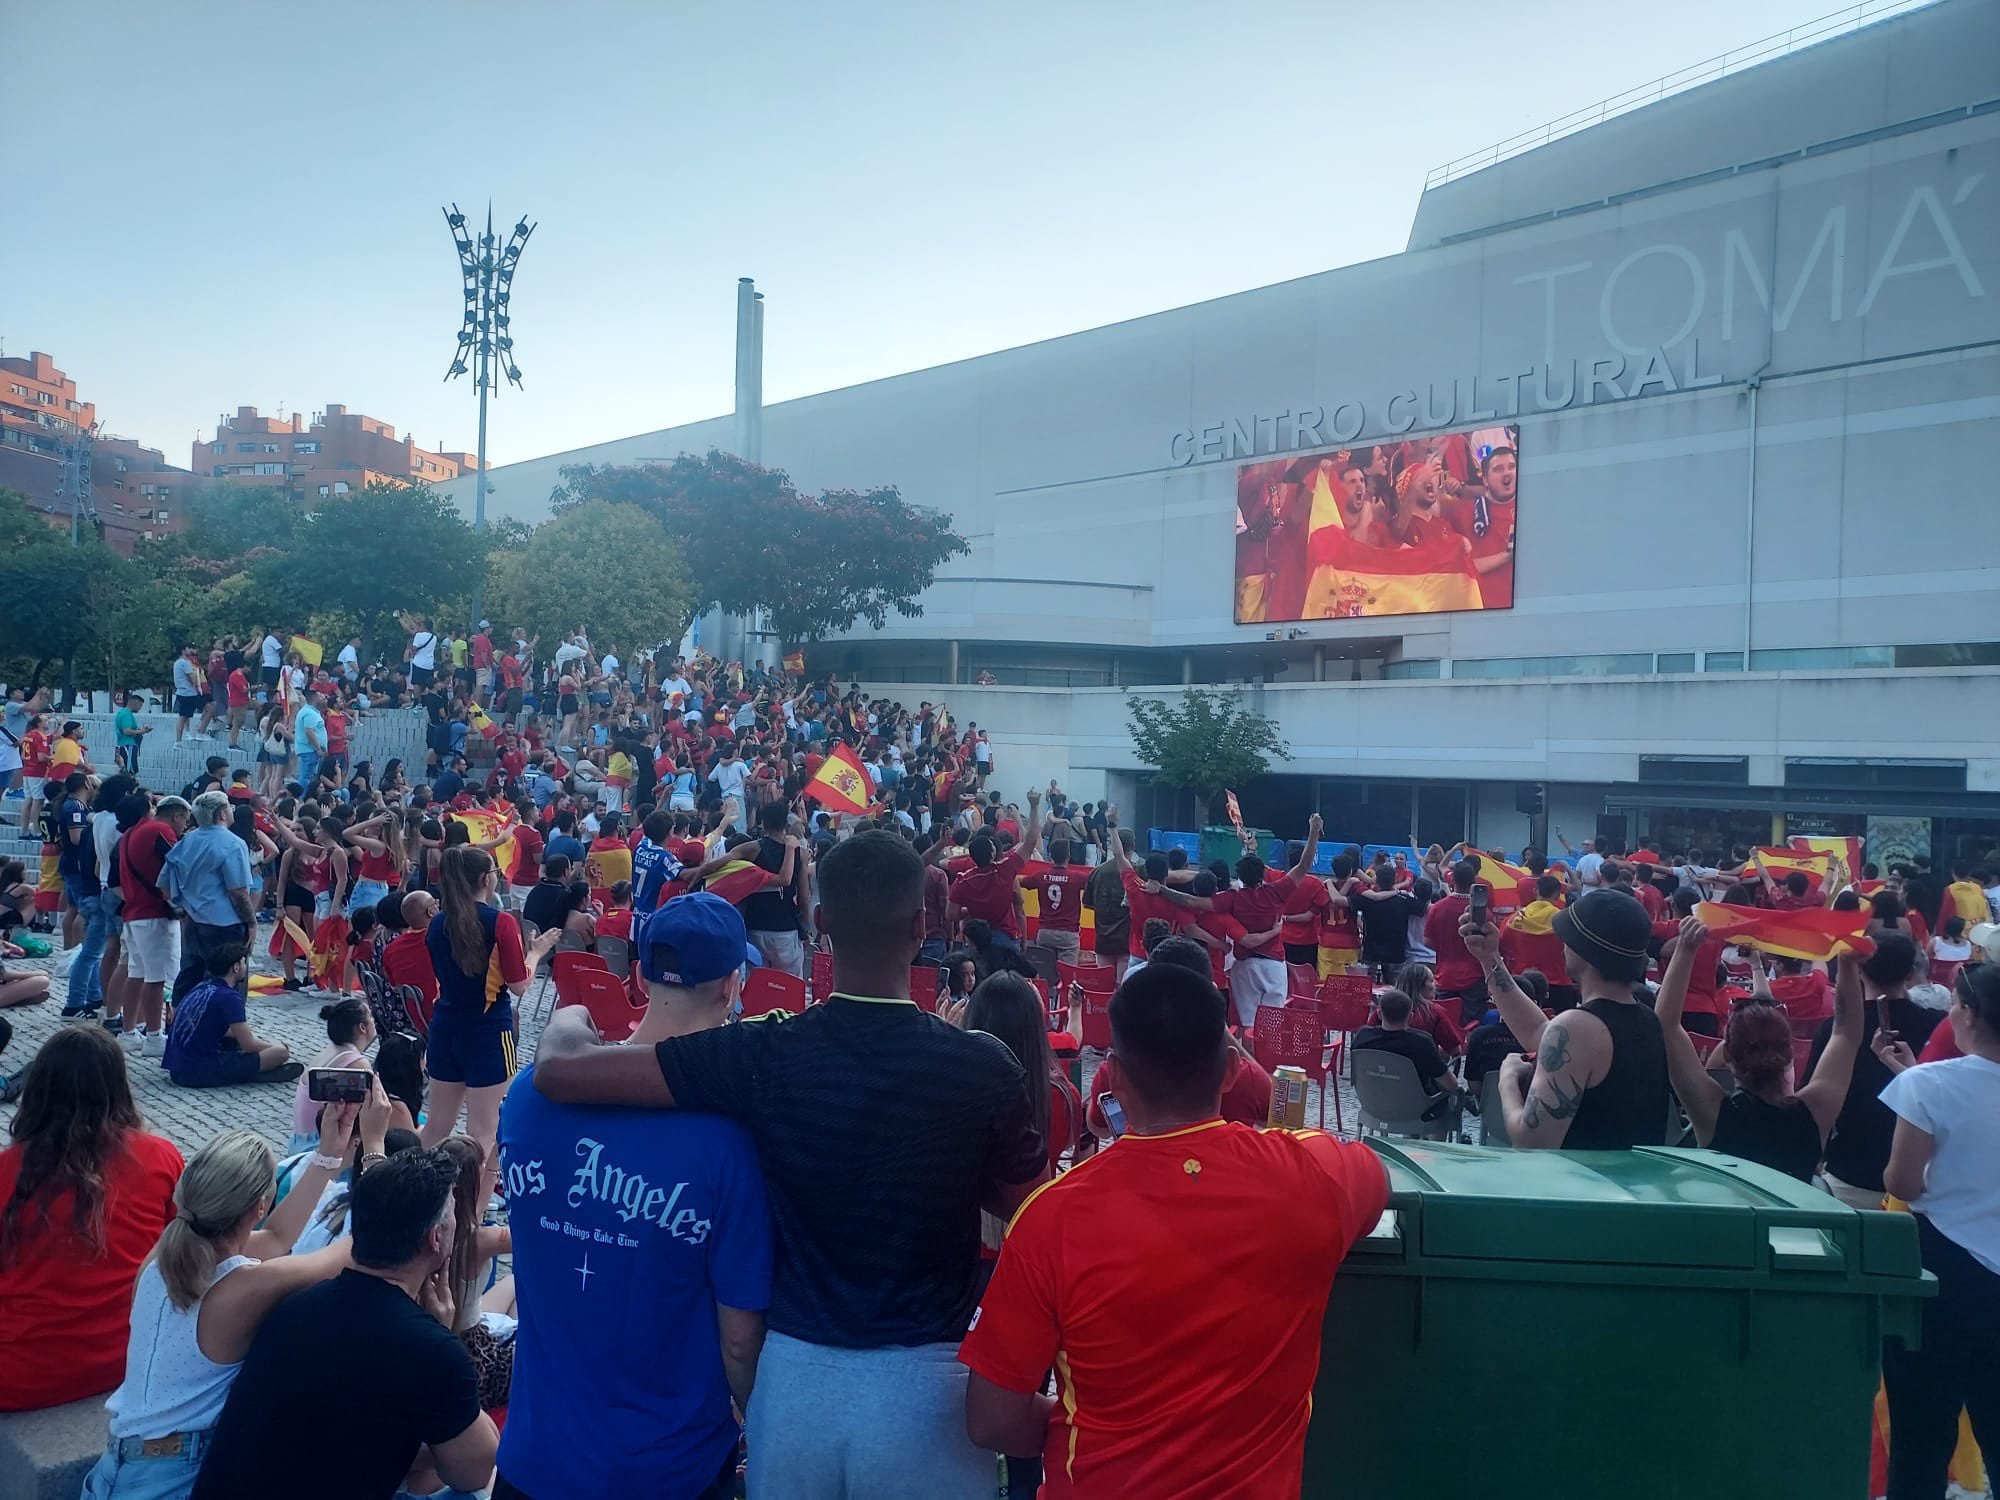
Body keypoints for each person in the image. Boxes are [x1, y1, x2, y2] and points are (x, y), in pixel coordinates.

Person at [532, 829, 1049, 1496]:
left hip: (794, 1385)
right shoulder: (979, 1067)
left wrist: (571, 1013)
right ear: (924, 925)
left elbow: (562, 1072)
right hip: (930, 1390)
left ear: (822, 922)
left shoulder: (764, 1053)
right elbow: (1040, 1220)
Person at [960, 961, 1388, 1496]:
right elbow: (1376, 1174)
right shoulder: (1315, 1175)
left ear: (1112, 1076)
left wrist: (1095, 1429)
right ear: (1231, 1069)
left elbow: (991, 1419)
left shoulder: (1051, 1217)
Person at [494, 893, 773, 1500]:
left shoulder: (529, 1098)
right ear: (731, 988)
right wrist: (762, 1426)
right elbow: (740, 1341)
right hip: (668, 1470)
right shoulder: (730, 1143)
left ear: (639, 975)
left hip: (534, 1458)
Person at [80, 1108, 375, 1500]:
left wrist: (326, 1158)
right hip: (173, 1479)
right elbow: (361, 1244)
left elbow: (277, 1235)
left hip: (118, 1468)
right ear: (258, 1206)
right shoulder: (241, 1288)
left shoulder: (162, 1256)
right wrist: (372, 1150)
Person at [190, 1147, 498, 1500]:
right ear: (437, 1237)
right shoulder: (432, 1350)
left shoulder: (294, 1308)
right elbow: (474, 1471)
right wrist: (441, 1337)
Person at [0, 1026, 185, 1411]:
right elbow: (176, 1253)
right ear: (119, 1087)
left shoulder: (7, 1171)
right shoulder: (160, 1158)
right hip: (122, 1358)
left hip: (16, 1375)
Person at [1873, 963, 2000, 1500]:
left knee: (1922, 1433)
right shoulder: (1922, 1081)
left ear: (1968, 1014)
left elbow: (1903, 1180)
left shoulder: (1928, 1084)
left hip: (1939, 1271)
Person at [1655, 916, 1863, 1181]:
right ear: (1790, 1055)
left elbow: (1666, 1026)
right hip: (1795, 1224)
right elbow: (1847, 1033)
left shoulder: (1711, 1113)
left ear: (1727, 1055)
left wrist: (1686, 948)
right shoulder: (1817, 1111)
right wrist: (1847, 964)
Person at [1462, 887, 1668, 1150]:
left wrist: (1507, 1080)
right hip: (1628, 1185)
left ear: (1584, 950)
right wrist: (1489, 957)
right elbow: (1538, 1031)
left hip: (1583, 1187)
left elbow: (1531, 1143)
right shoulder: (1648, 1020)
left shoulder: (1578, 1028)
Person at [421, 846, 561, 1155]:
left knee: (437, 1126)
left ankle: (420, 1192)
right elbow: (520, 985)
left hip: (445, 1027)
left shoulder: (437, 922)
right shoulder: (500, 922)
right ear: (486, 879)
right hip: (488, 1031)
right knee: (485, 1129)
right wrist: (535, 952)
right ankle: (473, 1200)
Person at [1803, 933, 1943, 1208]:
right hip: (1923, 1186)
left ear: (1860, 969)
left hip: (1847, 1180)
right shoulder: (1938, 1028)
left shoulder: (1833, 1032)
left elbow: (1812, 1106)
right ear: (1911, 973)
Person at [1148, 814, 1322, 1020]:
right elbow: (1304, 864)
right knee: (1271, 1024)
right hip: (1273, 965)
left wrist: (1161, 890)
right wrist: (1314, 831)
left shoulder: (1232, 898)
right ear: (1262, 874)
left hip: (1244, 965)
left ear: (1239, 875)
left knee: (1247, 1024)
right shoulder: (1278, 891)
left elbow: (1191, 901)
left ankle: (1245, 1053)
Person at [161, 791, 258, 1008]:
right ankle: (227, 1030)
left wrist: (184, 905)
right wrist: (251, 922)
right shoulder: (232, 843)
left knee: (189, 976)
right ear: (221, 814)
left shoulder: (187, 840)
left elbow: (164, 884)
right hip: (225, 923)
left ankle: (179, 1023)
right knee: (229, 980)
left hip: (194, 920)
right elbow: (238, 891)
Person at [164, 943, 299, 1089]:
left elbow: (221, 1030)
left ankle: (247, 1068)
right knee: (280, 1053)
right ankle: (251, 1071)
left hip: (177, 1070)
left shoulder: (201, 987)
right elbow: (250, 1045)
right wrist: (274, 1046)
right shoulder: (229, 997)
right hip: (197, 1073)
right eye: (243, 962)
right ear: (236, 967)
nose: (245, 967)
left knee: (235, 1039)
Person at [119, 793, 192, 1057]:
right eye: (185, 820)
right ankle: (153, 1035)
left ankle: (128, 1031)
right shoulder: (160, 830)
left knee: (137, 974)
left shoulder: (129, 834)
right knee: (156, 977)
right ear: (177, 816)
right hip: (153, 913)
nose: (185, 826)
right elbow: (179, 863)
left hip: (134, 911)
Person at [1353, 987, 1467, 1117]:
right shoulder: (1421, 1043)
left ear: (1379, 1014)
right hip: (1417, 1111)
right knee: (1443, 1103)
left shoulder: (1363, 1036)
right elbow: (1451, 1085)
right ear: (1410, 1017)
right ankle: (1434, 1137)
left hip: (1373, 1106)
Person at [291, 996, 376, 1154]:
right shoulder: (356, 1063)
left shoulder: (330, 1051)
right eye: (371, 1016)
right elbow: (366, 1112)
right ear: (362, 1027)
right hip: (319, 1144)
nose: (374, 1020)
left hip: (299, 1140)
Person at [1423, 858, 1485, 1015]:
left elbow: (1427, 941)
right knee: (1472, 1026)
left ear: (1453, 880)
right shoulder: (1483, 913)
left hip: (1445, 976)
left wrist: (1446, 947)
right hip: (1475, 978)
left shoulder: (1437, 908)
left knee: (1445, 1026)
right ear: (1474, 881)